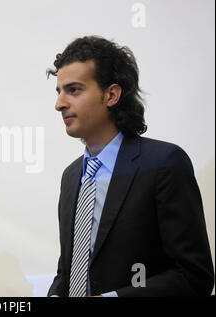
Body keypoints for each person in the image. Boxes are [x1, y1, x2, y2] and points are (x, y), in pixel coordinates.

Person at [47, 36, 214, 297]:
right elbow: (67, 271)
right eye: (59, 92)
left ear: (112, 94)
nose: (59, 104)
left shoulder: (164, 163)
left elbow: (194, 276)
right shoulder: (70, 177)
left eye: (74, 90)